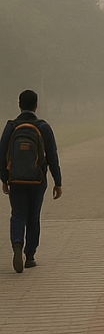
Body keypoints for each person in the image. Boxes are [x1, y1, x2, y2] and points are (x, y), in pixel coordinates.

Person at [1, 90, 63, 273]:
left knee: (18, 214)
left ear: (19, 105)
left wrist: (5, 179)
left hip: (16, 180)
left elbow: (1, 154)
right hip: (37, 180)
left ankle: (17, 244)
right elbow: (52, 156)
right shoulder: (43, 127)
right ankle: (29, 256)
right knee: (33, 217)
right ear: (36, 105)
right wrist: (57, 182)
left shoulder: (11, 126)